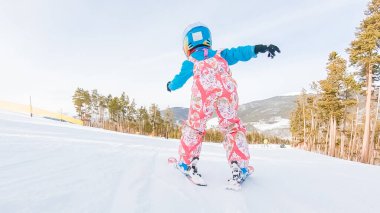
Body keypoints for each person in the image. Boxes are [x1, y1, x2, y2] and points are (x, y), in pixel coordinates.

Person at [166, 22, 280, 184]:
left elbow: (178, 80)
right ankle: (240, 167)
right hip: (227, 91)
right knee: (231, 126)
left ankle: (186, 163)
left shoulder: (191, 61)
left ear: (187, 44)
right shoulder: (220, 54)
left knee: (195, 126)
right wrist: (260, 48)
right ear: (207, 39)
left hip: (203, 94)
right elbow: (239, 52)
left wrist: (170, 85)